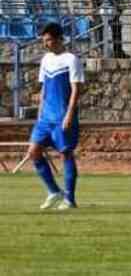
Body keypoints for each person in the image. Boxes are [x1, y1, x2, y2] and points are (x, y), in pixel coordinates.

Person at [28, 23, 85, 210]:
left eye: (49, 40)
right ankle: (54, 191)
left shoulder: (71, 59)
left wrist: (69, 113)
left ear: (59, 38)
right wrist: (39, 112)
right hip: (46, 117)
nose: (46, 44)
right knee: (33, 151)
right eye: (44, 41)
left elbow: (76, 89)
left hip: (62, 115)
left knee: (65, 153)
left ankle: (70, 199)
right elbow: (44, 88)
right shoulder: (45, 59)